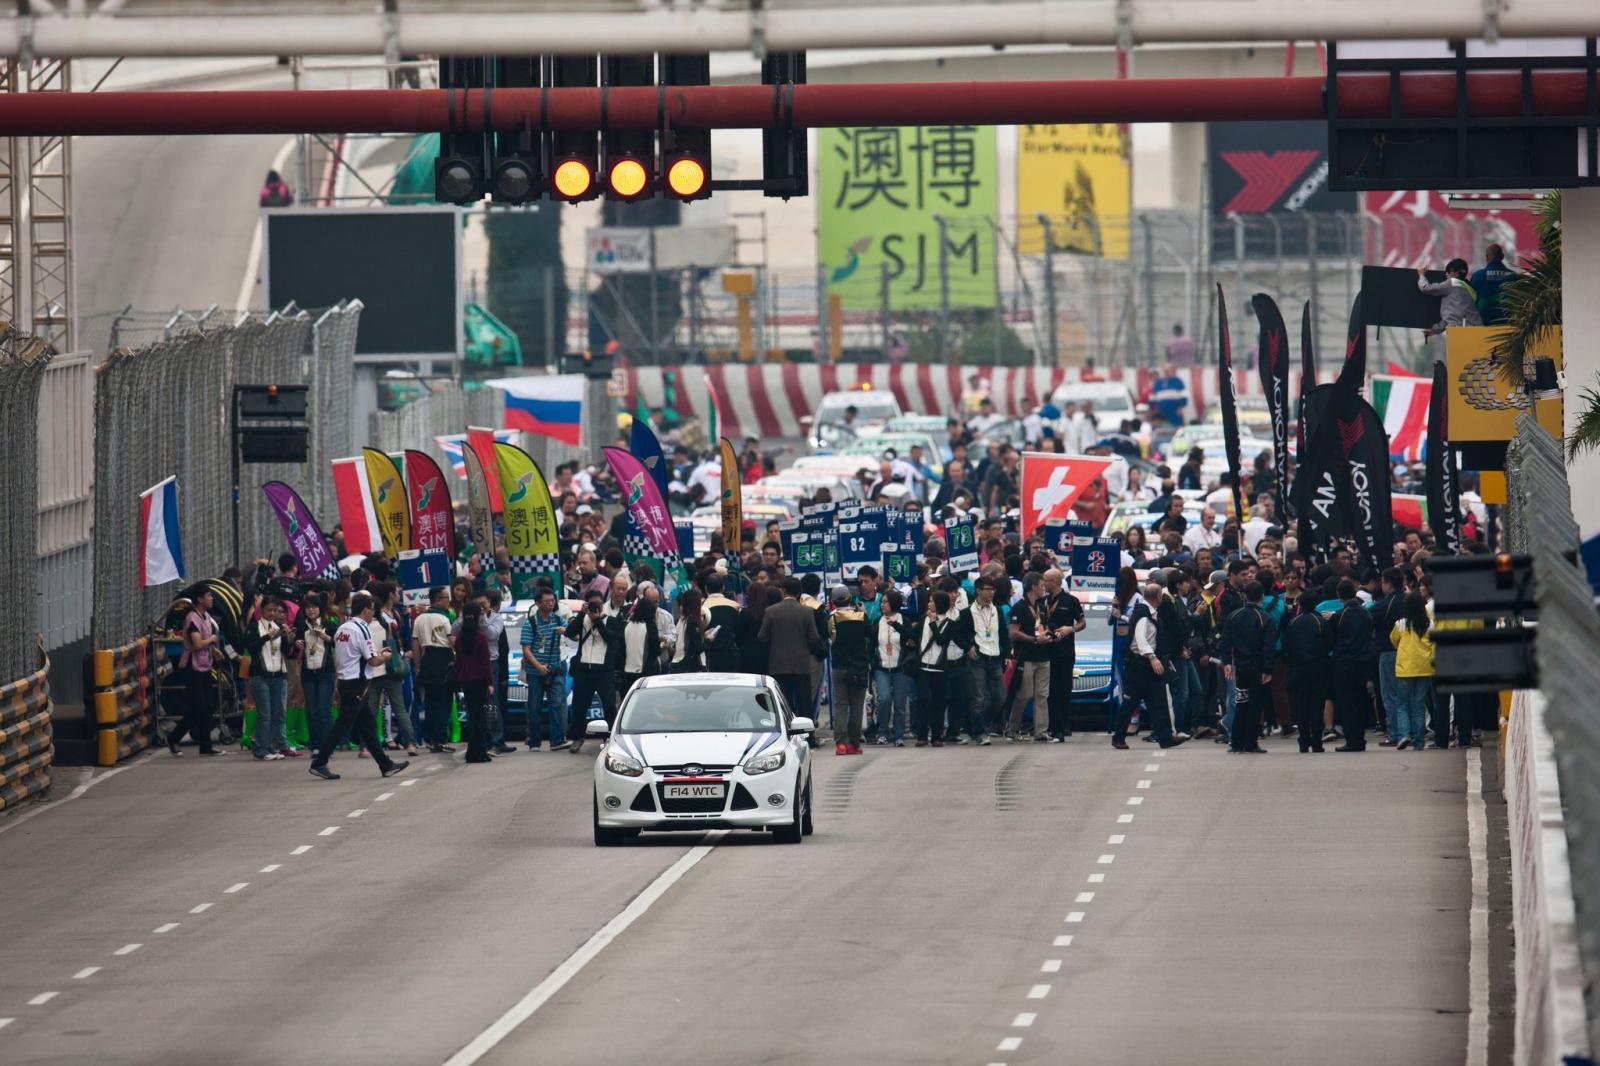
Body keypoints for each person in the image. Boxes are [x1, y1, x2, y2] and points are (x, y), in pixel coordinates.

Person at [310, 591, 408, 780]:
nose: (373, 613)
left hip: (345, 681)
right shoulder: (363, 628)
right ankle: (319, 762)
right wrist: (385, 656)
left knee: (368, 725)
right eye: (372, 609)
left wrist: (376, 653)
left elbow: (353, 654)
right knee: (343, 724)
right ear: (365, 610)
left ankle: (385, 764)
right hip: (358, 683)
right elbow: (373, 661)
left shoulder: (342, 628)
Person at [1114, 582, 1182, 750]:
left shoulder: (1149, 612)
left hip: (1148, 665)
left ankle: (1165, 738)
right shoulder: (1143, 615)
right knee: (1130, 702)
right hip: (1140, 665)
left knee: (1158, 702)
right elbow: (1140, 639)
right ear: (1158, 597)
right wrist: (1152, 658)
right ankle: (1118, 737)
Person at [1219, 580, 1275, 754]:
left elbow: (1225, 641)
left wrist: (1227, 662)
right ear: (1262, 597)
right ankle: (1251, 742)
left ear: (1244, 595)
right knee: (1255, 705)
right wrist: (1268, 669)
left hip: (1240, 668)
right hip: (1257, 668)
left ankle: (1236, 742)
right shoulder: (1265, 618)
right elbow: (1268, 646)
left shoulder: (1234, 616)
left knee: (1241, 702)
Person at [760, 578, 827, 722]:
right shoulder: (807, 611)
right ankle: (806, 735)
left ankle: (786, 733)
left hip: (778, 664)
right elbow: (814, 638)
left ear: (783, 591)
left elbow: (762, 637)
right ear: (799, 592)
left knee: (783, 702)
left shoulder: (771, 611)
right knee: (804, 703)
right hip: (801, 664)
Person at [171, 588, 224, 756]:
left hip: (205, 665)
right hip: (192, 668)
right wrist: (212, 640)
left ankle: (206, 745)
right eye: (208, 596)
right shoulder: (192, 618)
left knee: (209, 706)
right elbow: (196, 644)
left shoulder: (207, 617)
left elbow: (205, 644)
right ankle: (174, 737)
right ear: (200, 599)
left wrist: (215, 651)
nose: (212, 599)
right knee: (198, 707)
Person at [367, 583, 418, 757]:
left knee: (371, 710)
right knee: (400, 708)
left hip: (373, 671)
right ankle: (410, 743)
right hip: (391, 669)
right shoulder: (390, 622)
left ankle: (366, 746)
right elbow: (397, 645)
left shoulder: (364, 627)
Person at [1006, 573, 1054, 742]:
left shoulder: (1042, 605)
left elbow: (1043, 626)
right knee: (1024, 694)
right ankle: (1012, 728)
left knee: (1042, 695)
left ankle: (1041, 731)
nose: (1044, 588)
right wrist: (1034, 639)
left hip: (1043, 656)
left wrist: (1049, 635)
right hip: (1026, 656)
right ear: (1033, 587)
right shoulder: (1019, 607)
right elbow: (1013, 632)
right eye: (1042, 585)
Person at [244, 596, 294, 760]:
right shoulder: (254, 627)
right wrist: (266, 637)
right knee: (265, 714)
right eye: (269, 610)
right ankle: (260, 749)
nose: (272, 613)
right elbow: (251, 648)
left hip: (277, 675)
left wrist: (288, 638)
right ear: (262, 610)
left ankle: (270, 747)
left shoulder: (278, 626)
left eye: (276, 610)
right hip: (260, 676)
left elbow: (286, 651)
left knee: (277, 713)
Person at [1039, 568, 1086, 740]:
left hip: (1065, 651)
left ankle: (1064, 725)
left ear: (1057, 582)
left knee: (1064, 689)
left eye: (1047, 580)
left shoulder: (1070, 600)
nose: (1044, 583)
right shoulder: (1041, 601)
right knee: (1049, 690)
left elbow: (1082, 622)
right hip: (1046, 650)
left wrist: (1070, 629)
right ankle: (1051, 726)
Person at [1329, 578, 1375, 751]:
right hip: (1363, 662)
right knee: (1360, 700)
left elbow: (1332, 640)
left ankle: (1351, 740)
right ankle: (1360, 738)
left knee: (1347, 703)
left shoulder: (1340, 617)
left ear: (1339, 595)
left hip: (1344, 663)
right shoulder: (1365, 613)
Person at [521, 587, 568, 751]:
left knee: (557, 704)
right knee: (534, 707)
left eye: (553, 600)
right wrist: (538, 666)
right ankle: (534, 742)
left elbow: (574, 635)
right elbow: (526, 649)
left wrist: (567, 631)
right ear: (538, 603)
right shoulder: (530, 623)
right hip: (535, 673)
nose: (551, 604)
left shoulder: (558, 620)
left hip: (555, 670)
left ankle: (557, 740)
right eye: (547, 601)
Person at [827, 585, 872, 754]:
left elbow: (829, 637)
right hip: (859, 666)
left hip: (839, 665)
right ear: (850, 598)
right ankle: (854, 743)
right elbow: (871, 634)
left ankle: (841, 743)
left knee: (841, 705)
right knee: (856, 706)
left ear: (833, 601)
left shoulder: (831, 618)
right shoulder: (861, 616)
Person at [411, 586, 457, 754]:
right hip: (443, 658)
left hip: (427, 659)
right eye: (446, 598)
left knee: (430, 701)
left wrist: (417, 666)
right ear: (437, 599)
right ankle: (439, 738)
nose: (448, 601)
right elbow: (452, 642)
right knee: (445, 701)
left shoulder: (419, 619)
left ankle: (430, 739)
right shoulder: (444, 618)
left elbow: (415, 645)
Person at [1284, 594, 1332, 753]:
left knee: (1301, 706)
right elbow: (1328, 644)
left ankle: (1303, 741)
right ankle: (1317, 742)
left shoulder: (1293, 622)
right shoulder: (1320, 622)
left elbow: (1287, 646)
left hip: (1298, 668)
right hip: (1318, 667)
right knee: (1317, 706)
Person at [1388, 592, 1435, 752]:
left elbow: (1393, 640)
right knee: (1418, 705)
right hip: (1424, 667)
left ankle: (1404, 734)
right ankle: (1419, 741)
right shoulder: (1429, 624)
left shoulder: (1401, 624)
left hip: (1405, 668)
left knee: (1402, 703)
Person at [965, 576, 1010, 739]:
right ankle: (979, 732)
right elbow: (957, 633)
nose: (991, 593)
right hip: (978, 658)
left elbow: (1004, 634)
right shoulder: (968, 612)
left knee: (1000, 696)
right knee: (979, 696)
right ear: (978, 591)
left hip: (995, 658)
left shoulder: (997, 610)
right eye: (988, 589)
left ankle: (979, 723)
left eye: (993, 590)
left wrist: (1007, 654)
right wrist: (968, 647)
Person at [453, 602, 494, 764]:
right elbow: (485, 663)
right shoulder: (481, 638)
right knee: (480, 718)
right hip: (480, 680)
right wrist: (490, 682)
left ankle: (473, 751)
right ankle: (479, 752)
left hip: (466, 680)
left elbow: (459, 662)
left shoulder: (460, 639)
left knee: (473, 716)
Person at [296, 595, 337, 755]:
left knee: (324, 710)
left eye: (314, 607)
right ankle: (315, 745)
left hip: (325, 672)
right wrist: (296, 643)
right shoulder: (301, 626)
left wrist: (327, 637)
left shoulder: (329, 625)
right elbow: (294, 646)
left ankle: (327, 746)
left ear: (320, 609)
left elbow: (339, 643)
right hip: (308, 673)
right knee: (311, 710)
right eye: (308, 607)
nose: (311, 610)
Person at [873, 588, 912, 746]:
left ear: (894, 603)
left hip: (900, 668)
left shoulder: (904, 620)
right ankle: (882, 732)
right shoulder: (878, 622)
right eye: (881, 602)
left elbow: (910, 640)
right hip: (882, 668)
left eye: (885, 602)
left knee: (900, 704)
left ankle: (899, 735)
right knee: (883, 699)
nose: (882, 605)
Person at [1417, 259, 1483, 334]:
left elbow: (1426, 288)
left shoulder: (1451, 283)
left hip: (1460, 332)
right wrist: (1434, 330)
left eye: (1449, 272)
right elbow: (1452, 317)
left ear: (1456, 273)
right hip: (1477, 330)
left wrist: (1421, 275)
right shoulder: (1470, 288)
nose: (1446, 274)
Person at [618, 593, 663, 699]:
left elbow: (620, 650)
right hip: (645, 674)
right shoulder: (650, 628)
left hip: (627, 672)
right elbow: (655, 651)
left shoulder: (626, 626)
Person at [1469, 243, 1516, 326]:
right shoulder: (1514, 277)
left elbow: (1470, 302)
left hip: (1483, 324)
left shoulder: (1477, 276)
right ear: (1502, 256)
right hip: (1509, 325)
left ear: (1487, 257)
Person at [671, 588, 708, 672]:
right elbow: (697, 647)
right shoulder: (693, 622)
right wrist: (708, 639)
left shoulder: (681, 621)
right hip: (691, 666)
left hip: (678, 662)